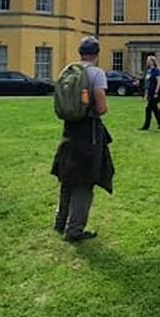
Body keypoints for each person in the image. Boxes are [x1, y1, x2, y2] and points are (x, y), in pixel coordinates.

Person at [50, 37, 114, 242]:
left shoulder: (68, 70)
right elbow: (102, 107)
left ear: (80, 52)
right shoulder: (96, 73)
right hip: (89, 131)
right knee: (85, 181)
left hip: (69, 129)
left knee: (68, 177)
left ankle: (60, 222)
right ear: (97, 53)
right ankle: (75, 229)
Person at [140, 55, 160, 130]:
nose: (147, 62)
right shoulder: (148, 71)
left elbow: (158, 82)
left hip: (154, 93)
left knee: (148, 109)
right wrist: (145, 93)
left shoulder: (156, 71)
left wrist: (156, 92)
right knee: (155, 109)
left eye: (148, 60)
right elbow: (147, 83)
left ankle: (146, 126)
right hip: (149, 93)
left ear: (152, 62)